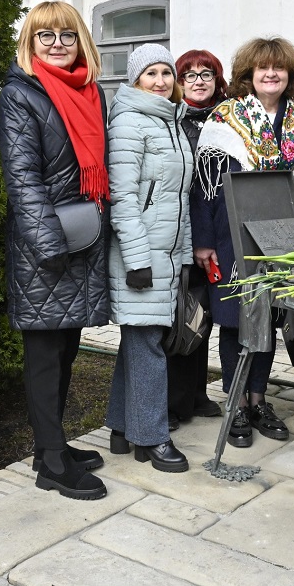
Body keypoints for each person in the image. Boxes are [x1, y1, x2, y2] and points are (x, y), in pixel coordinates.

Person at [0, 1, 109, 500]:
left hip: (82, 238)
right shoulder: (21, 94)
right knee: (44, 355)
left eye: (67, 35)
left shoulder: (91, 92)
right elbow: (22, 179)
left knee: (66, 350)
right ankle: (52, 464)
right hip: (45, 246)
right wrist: (50, 245)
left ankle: (51, 447)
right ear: (31, 43)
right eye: (46, 36)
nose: (58, 44)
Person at [192, 36, 294, 448]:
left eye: (279, 68)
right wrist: (204, 241)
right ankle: (235, 404)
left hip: (284, 237)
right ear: (249, 74)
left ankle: (259, 400)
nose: (271, 74)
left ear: (290, 75)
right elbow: (202, 186)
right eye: (263, 67)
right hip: (232, 235)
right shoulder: (224, 119)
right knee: (234, 320)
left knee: (269, 318)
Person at [105, 44, 194, 473]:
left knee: (139, 342)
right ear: (135, 79)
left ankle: (123, 428)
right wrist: (137, 260)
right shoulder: (129, 121)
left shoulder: (170, 120)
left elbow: (179, 199)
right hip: (140, 255)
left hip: (167, 254)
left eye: (166, 72)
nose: (160, 81)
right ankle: (153, 438)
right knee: (148, 346)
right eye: (151, 73)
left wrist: (185, 255)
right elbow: (123, 198)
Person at [165, 49, 229, 428]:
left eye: (207, 74)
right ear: (180, 82)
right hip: (181, 231)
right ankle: (174, 403)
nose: (199, 81)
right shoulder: (174, 120)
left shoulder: (226, 119)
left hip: (217, 229)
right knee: (182, 314)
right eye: (190, 75)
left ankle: (197, 393)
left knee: (203, 312)